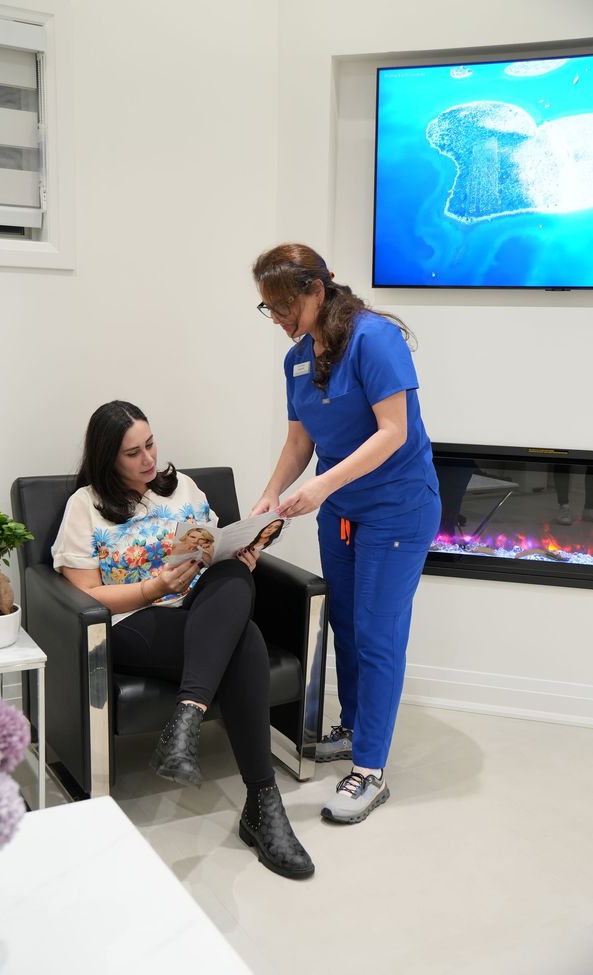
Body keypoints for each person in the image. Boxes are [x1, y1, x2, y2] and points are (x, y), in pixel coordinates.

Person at [51, 400, 313, 879]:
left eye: (150, 444)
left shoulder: (184, 488)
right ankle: (262, 805)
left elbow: (213, 544)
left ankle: (187, 719)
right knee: (246, 641)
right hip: (137, 620)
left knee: (234, 576)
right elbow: (85, 594)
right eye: (132, 453)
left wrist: (240, 554)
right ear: (108, 458)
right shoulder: (84, 506)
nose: (148, 460)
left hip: (205, 607)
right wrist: (154, 587)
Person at [251, 244, 441, 825]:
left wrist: (321, 487)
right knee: (345, 624)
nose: (279, 319)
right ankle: (354, 727)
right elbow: (298, 443)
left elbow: (392, 432)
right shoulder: (298, 360)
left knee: (377, 633)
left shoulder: (373, 338)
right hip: (342, 509)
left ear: (316, 290)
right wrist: (269, 496)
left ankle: (371, 769)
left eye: (285, 306)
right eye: (268, 309)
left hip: (396, 509)